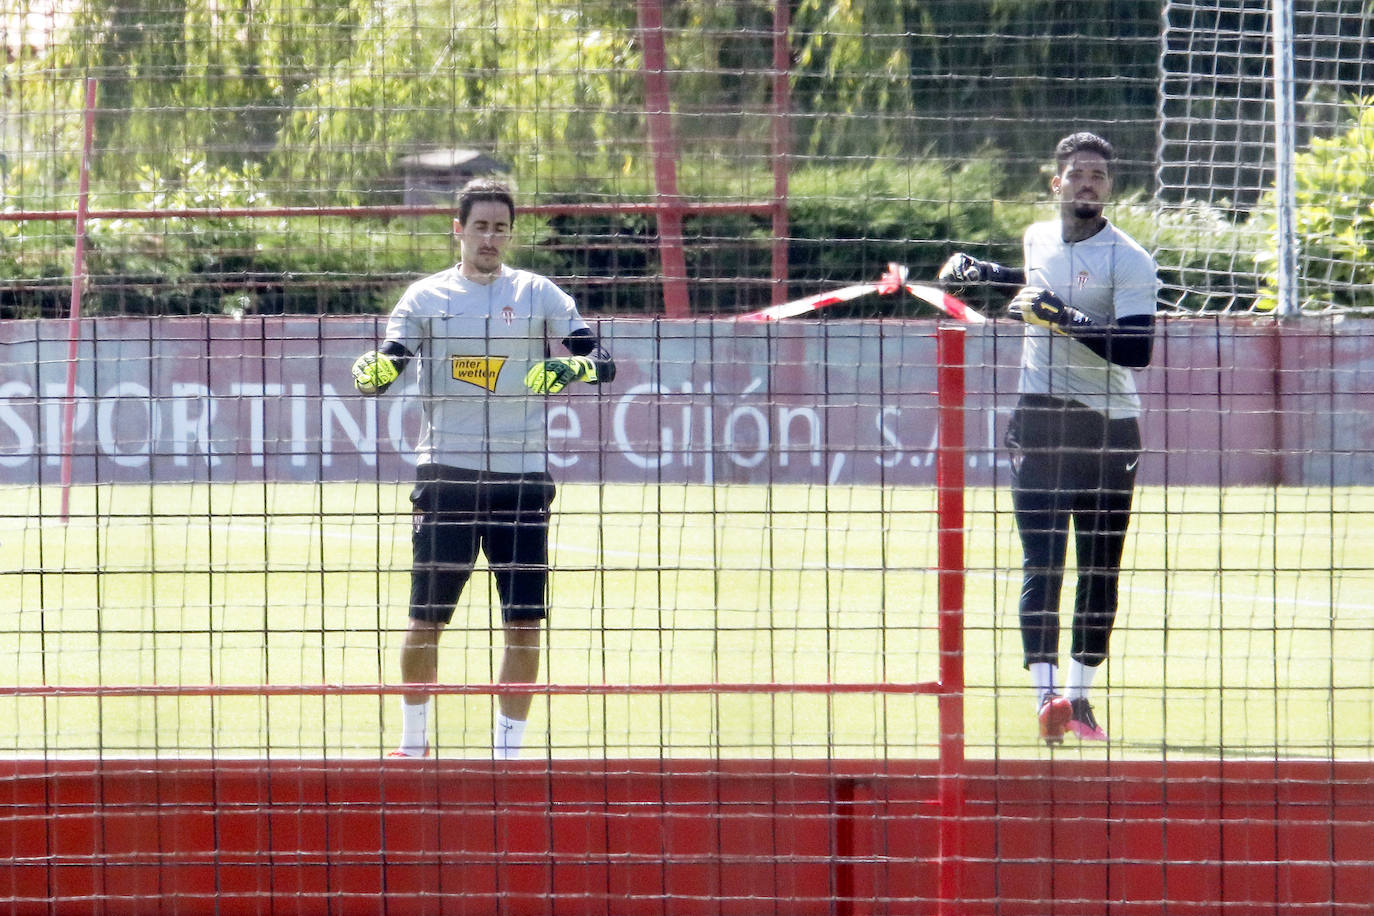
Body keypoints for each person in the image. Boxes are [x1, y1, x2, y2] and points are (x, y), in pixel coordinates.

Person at [352, 177, 615, 759]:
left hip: (520, 481)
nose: (489, 238)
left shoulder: (538, 293)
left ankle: (507, 755)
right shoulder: (424, 298)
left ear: (510, 233)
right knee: (426, 619)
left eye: (499, 227)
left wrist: (572, 373)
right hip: (446, 475)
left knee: (524, 623)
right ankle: (413, 745)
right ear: (459, 230)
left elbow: (602, 361)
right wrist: (376, 372)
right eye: (480, 226)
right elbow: (391, 360)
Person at [938, 131, 1158, 745]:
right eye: (1079, 173)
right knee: (1041, 561)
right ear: (1055, 182)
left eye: (1099, 176)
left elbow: (1137, 348)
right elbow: (1041, 281)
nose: (1089, 183)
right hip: (1037, 418)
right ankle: (1047, 699)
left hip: (1109, 430)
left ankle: (1082, 699)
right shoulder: (1037, 238)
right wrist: (985, 274)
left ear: (1109, 188)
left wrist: (1066, 318)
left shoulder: (1132, 260)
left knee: (1099, 570)